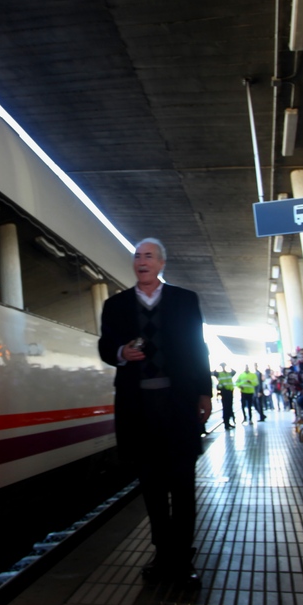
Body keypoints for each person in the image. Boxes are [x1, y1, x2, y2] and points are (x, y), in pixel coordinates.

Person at [99, 238, 212, 586]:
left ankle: (181, 555)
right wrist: (120, 351)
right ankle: (163, 552)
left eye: (148, 256)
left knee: (182, 484)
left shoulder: (184, 300)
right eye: (137, 256)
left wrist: (205, 391)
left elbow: (198, 346)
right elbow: (105, 347)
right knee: (151, 485)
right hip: (138, 409)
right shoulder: (115, 305)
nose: (141, 261)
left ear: (162, 263)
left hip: (178, 406)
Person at [213, 363, 236, 429]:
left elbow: (234, 371)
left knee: (229, 407)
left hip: (230, 392)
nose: (223, 367)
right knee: (225, 408)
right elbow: (213, 372)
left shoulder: (229, 373)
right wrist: (218, 366)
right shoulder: (219, 374)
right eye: (223, 366)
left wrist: (228, 366)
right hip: (224, 392)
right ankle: (226, 423)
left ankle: (228, 422)